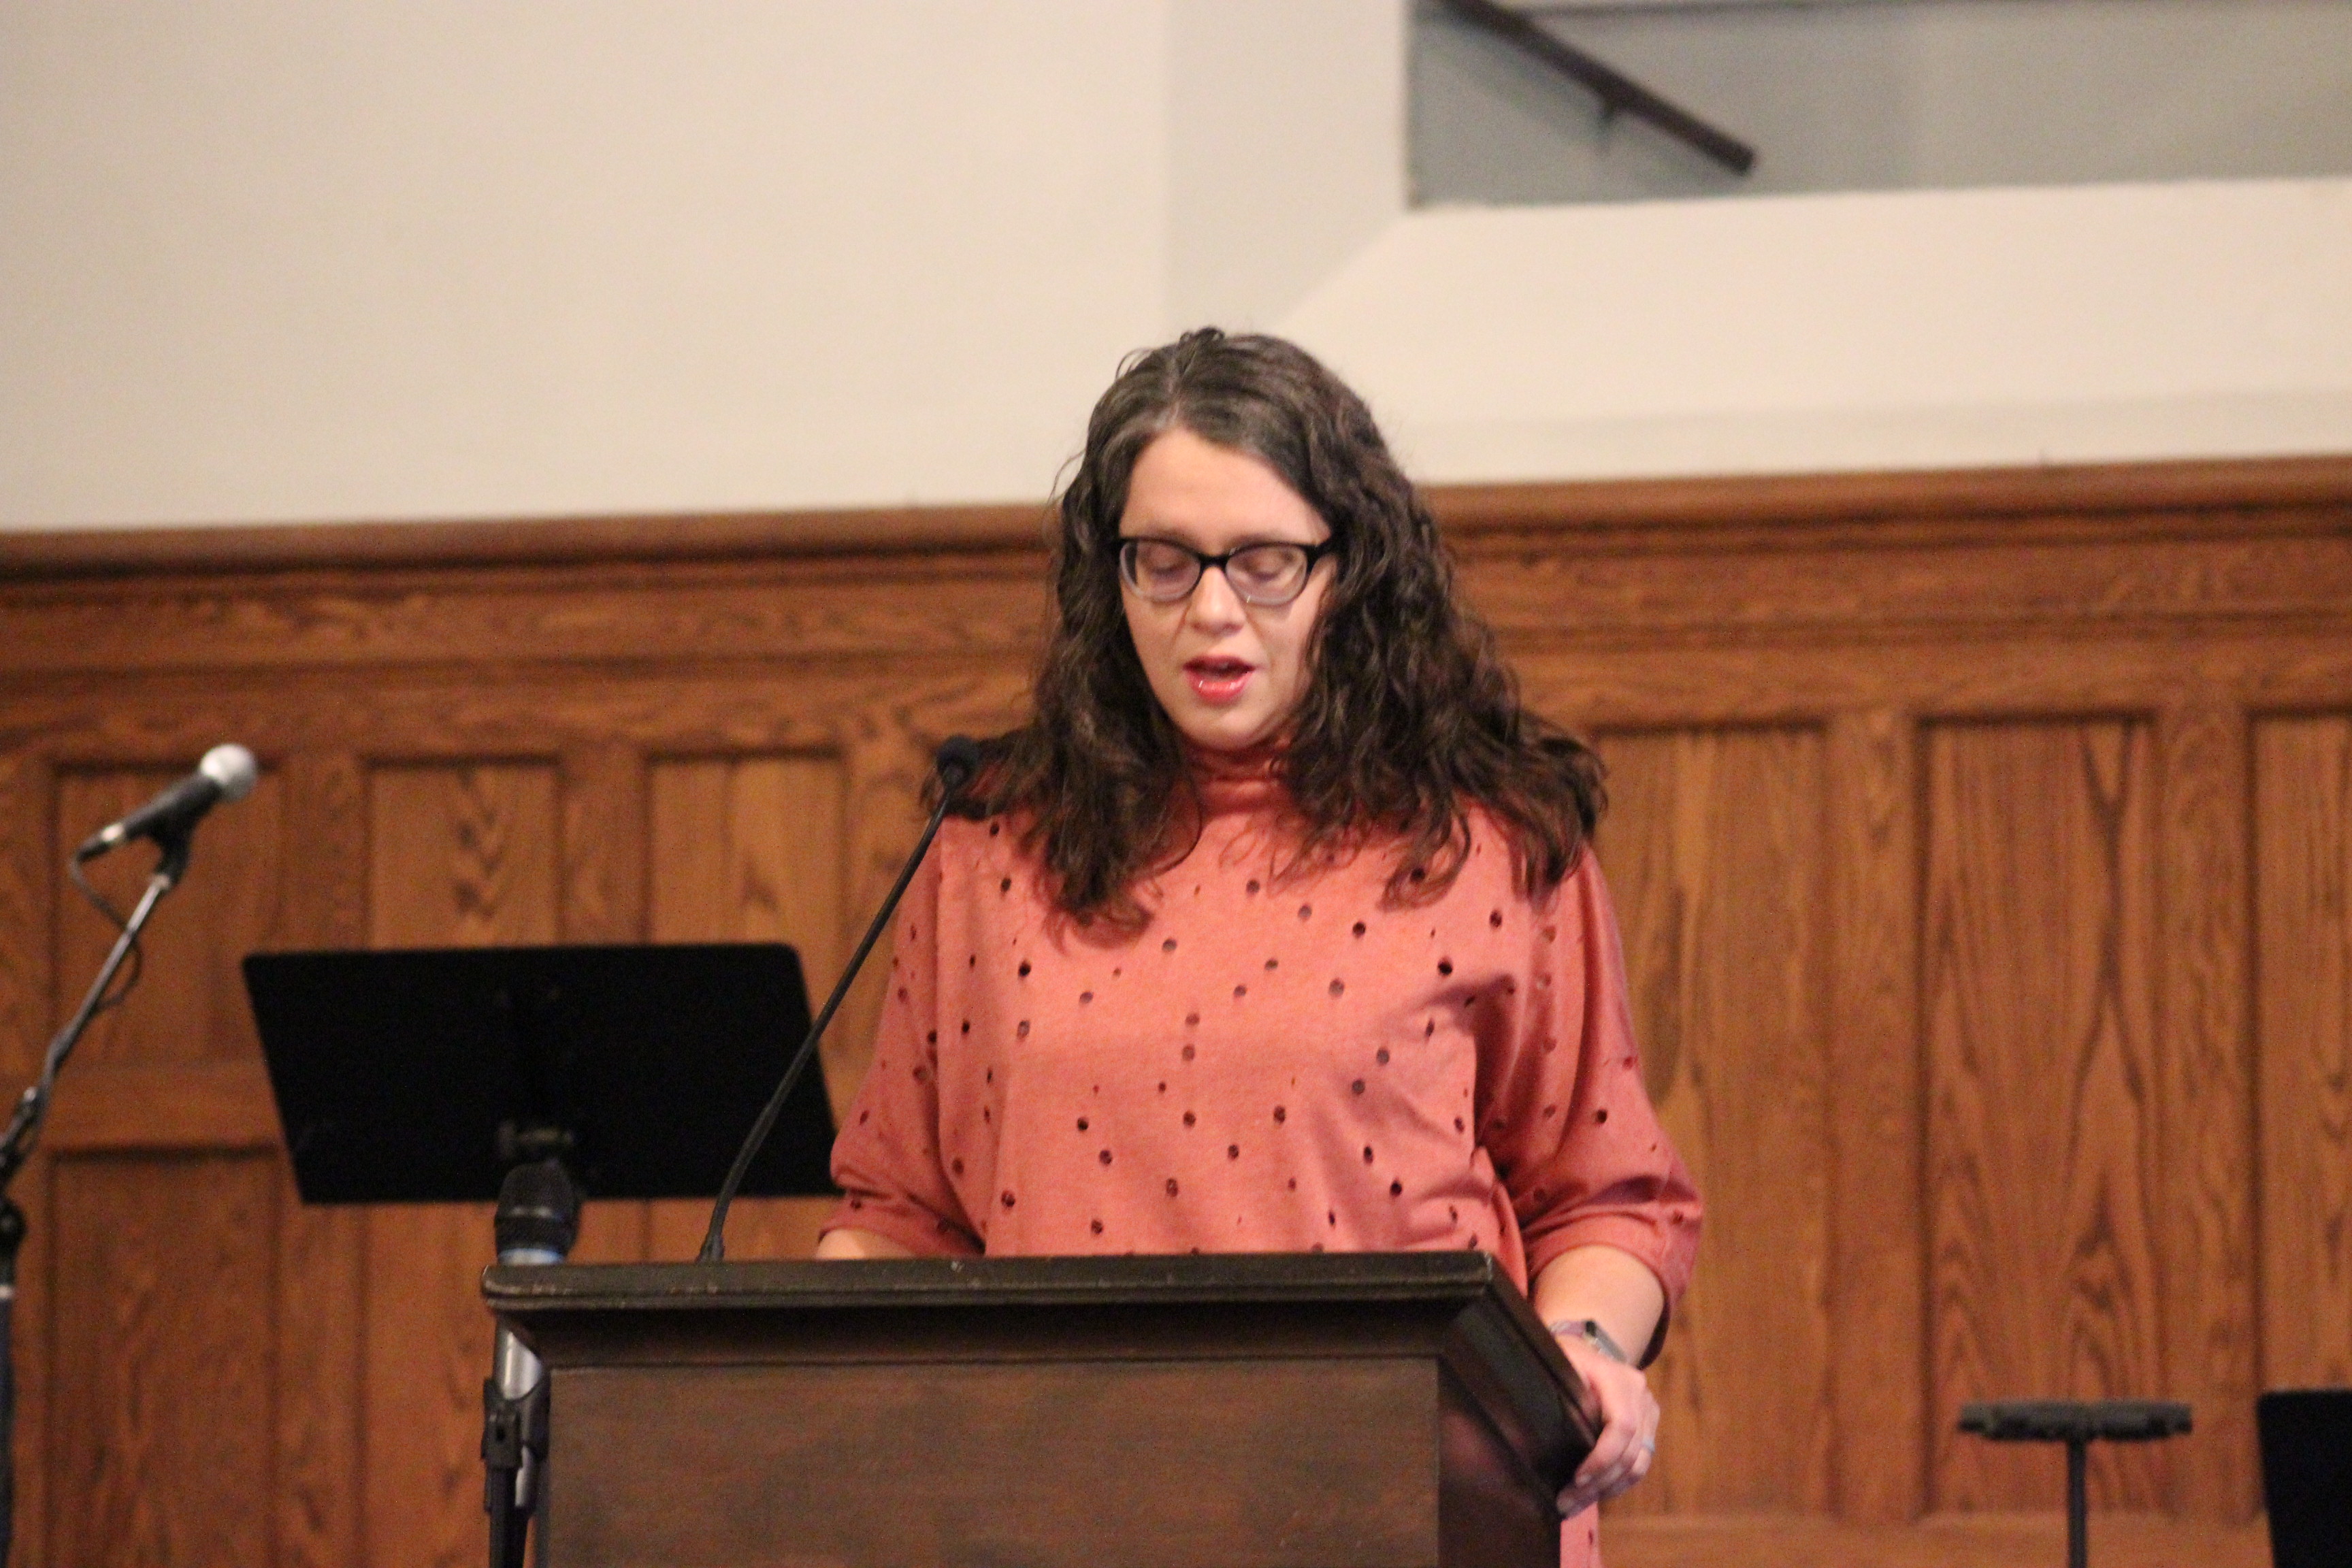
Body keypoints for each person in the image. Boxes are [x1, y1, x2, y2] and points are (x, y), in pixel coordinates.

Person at [818, 329, 1699, 1563]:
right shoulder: (990, 847)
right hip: (1060, 1505)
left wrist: (1585, 1352)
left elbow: (1605, 1195)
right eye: (1165, 563)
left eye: (1267, 563)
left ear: (1352, 569)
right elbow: (903, 1213)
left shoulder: (1486, 840)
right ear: (1110, 577)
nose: (1214, 611)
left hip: (1409, 1500)